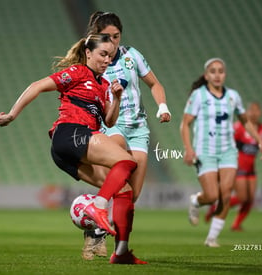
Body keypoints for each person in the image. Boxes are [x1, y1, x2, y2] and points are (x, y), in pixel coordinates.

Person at [0, 34, 138, 245]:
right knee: (128, 161)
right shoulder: (78, 72)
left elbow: (109, 121)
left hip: (67, 150)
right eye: (103, 54)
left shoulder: (105, 84)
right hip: (71, 133)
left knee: (124, 189)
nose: (108, 60)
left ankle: (119, 249)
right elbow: (37, 85)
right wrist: (12, 114)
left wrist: (116, 98)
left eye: (111, 56)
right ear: (88, 53)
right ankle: (98, 206)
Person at [78, 11, 171, 264]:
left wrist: (162, 106)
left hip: (138, 128)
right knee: (121, 174)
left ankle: (119, 250)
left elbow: (155, 84)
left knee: (132, 196)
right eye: (107, 37)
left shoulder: (132, 56)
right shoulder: (93, 59)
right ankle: (96, 213)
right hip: (111, 124)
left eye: (116, 36)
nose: (113, 41)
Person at [180, 58, 262, 247]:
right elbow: (185, 124)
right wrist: (188, 149)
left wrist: (260, 141)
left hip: (228, 151)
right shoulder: (198, 96)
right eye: (213, 71)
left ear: (225, 74)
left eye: (221, 71)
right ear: (206, 75)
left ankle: (212, 238)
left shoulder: (233, 96)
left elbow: (245, 121)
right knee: (212, 195)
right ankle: (196, 200)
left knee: (226, 195)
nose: (217, 74)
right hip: (205, 151)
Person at [205, 102, 262, 230]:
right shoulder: (239, 128)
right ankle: (216, 207)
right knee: (242, 197)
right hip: (237, 167)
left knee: (250, 199)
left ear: (260, 113)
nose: (254, 113)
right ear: (247, 112)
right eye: (251, 110)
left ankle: (236, 224)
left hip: (251, 169)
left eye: (256, 110)